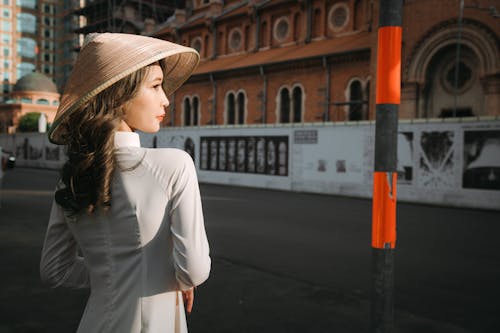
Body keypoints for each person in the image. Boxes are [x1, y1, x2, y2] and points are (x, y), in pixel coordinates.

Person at [39, 33, 211, 333]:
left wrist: (110, 273)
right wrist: (165, 276)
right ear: (119, 95)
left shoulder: (72, 178)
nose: (166, 99)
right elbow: (194, 270)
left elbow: (54, 270)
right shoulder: (174, 165)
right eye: (156, 86)